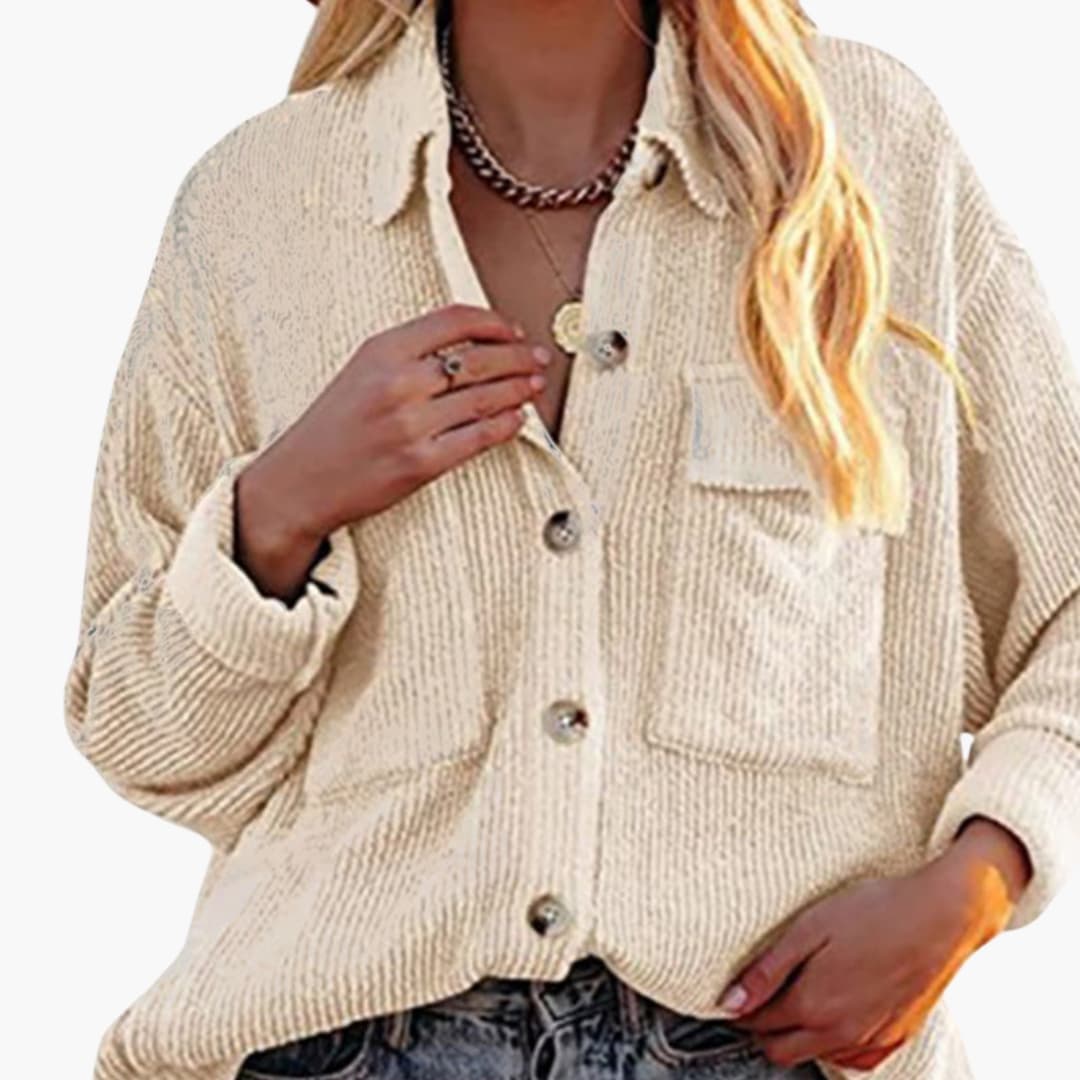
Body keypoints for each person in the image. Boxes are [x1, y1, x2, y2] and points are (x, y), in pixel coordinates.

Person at [64, 0, 1080, 1077]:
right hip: (337, 1042)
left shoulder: (866, 150)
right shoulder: (256, 206)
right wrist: (278, 509)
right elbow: (145, 741)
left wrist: (979, 880)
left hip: (769, 1043)